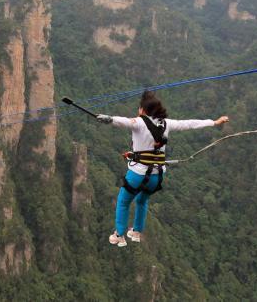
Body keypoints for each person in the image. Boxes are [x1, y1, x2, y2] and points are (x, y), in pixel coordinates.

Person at [97, 91, 229, 247]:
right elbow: (189, 124)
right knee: (142, 201)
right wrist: (214, 122)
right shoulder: (167, 123)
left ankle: (119, 234)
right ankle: (137, 232)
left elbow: (124, 122)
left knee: (123, 201)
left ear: (142, 110)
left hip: (137, 174)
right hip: (156, 177)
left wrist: (109, 119)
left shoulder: (139, 122)